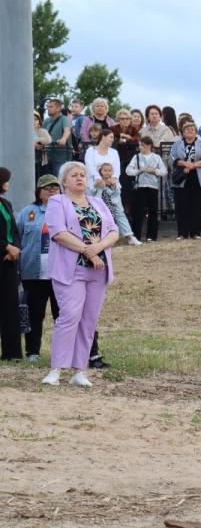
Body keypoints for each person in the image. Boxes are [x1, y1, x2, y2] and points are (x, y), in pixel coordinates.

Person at [40, 162, 119, 386]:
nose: (79, 178)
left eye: (83, 175)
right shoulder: (58, 202)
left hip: (99, 270)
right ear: (64, 181)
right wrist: (88, 250)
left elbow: (114, 231)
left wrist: (98, 248)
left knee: (88, 320)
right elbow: (59, 233)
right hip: (71, 269)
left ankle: (79, 371)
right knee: (69, 316)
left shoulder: (97, 202)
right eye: (74, 175)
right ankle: (56, 369)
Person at [18, 175, 62, 361]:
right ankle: (33, 352)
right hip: (33, 273)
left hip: (60, 274)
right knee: (35, 314)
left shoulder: (66, 210)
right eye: (47, 188)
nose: (51, 190)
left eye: (55, 187)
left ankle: (63, 353)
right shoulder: (27, 212)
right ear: (38, 191)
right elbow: (18, 238)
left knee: (62, 316)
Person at [169, 122, 201, 239]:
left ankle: (196, 232)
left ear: (196, 131)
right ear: (183, 132)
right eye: (187, 129)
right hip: (182, 178)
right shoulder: (177, 144)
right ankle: (182, 233)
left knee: (197, 206)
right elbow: (173, 158)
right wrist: (185, 163)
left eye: (192, 129)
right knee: (182, 206)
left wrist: (193, 165)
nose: (190, 131)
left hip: (198, 178)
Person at [124, 136, 166, 242]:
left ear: (148, 146)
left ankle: (151, 235)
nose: (140, 147)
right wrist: (138, 171)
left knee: (153, 211)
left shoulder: (156, 157)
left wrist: (154, 171)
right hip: (140, 187)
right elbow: (128, 170)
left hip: (153, 187)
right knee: (138, 212)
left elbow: (164, 171)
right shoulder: (136, 157)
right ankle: (136, 236)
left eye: (141, 145)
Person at [0, 169, 22, 360]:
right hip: (3, 254)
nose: (8, 184)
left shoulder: (5, 203)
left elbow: (14, 230)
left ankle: (12, 352)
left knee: (10, 305)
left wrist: (14, 248)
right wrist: (5, 247)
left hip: (8, 261)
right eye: (6, 181)